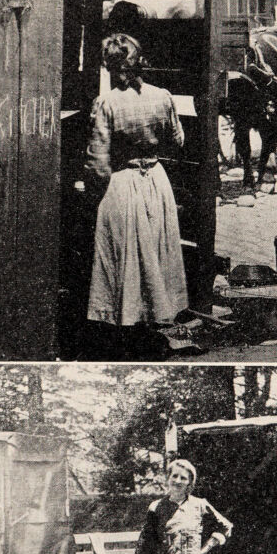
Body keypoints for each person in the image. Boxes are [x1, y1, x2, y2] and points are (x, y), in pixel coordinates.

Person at [84, 34, 188, 354]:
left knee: (124, 258)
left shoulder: (107, 103)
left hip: (122, 182)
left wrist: (91, 192)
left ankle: (126, 329)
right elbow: (178, 141)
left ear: (111, 67)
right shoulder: (163, 96)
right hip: (156, 181)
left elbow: (98, 164)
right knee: (154, 254)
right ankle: (150, 326)